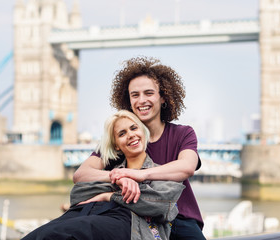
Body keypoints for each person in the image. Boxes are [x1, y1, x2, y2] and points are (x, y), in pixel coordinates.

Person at [73, 56, 205, 239]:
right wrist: (118, 178)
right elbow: (81, 175)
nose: (141, 100)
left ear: (163, 97)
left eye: (149, 93)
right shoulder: (120, 139)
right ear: (129, 101)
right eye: (135, 95)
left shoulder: (183, 133)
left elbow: (186, 166)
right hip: (132, 216)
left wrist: (140, 174)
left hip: (178, 217)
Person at [22, 110, 185, 240]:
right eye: (122, 133)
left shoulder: (159, 171)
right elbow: (78, 194)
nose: (130, 135)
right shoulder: (110, 171)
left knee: (62, 234)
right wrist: (119, 178)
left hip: (127, 219)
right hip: (87, 212)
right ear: (117, 146)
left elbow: (164, 205)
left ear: (142, 132)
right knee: (36, 236)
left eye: (134, 128)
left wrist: (109, 195)